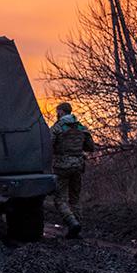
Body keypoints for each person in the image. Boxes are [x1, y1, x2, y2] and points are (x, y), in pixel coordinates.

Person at [50, 102, 95, 239]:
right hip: (78, 166)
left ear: (62, 112)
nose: (57, 114)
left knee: (59, 199)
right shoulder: (82, 127)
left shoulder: (57, 128)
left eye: (57, 111)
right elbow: (90, 147)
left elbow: (48, 146)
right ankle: (77, 229)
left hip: (62, 168)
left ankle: (72, 223)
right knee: (75, 199)